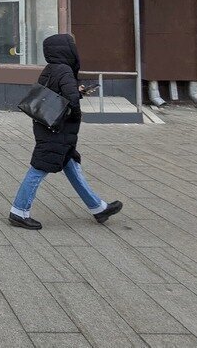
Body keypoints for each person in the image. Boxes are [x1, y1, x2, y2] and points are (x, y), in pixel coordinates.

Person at [8, 33, 122, 230]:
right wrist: (77, 112)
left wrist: (77, 92)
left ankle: (98, 207)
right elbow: (71, 101)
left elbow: (54, 95)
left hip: (48, 126)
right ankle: (19, 211)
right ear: (66, 50)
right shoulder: (65, 71)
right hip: (58, 130)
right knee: (39, 168)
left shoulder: (51, 69)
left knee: (71, 165)